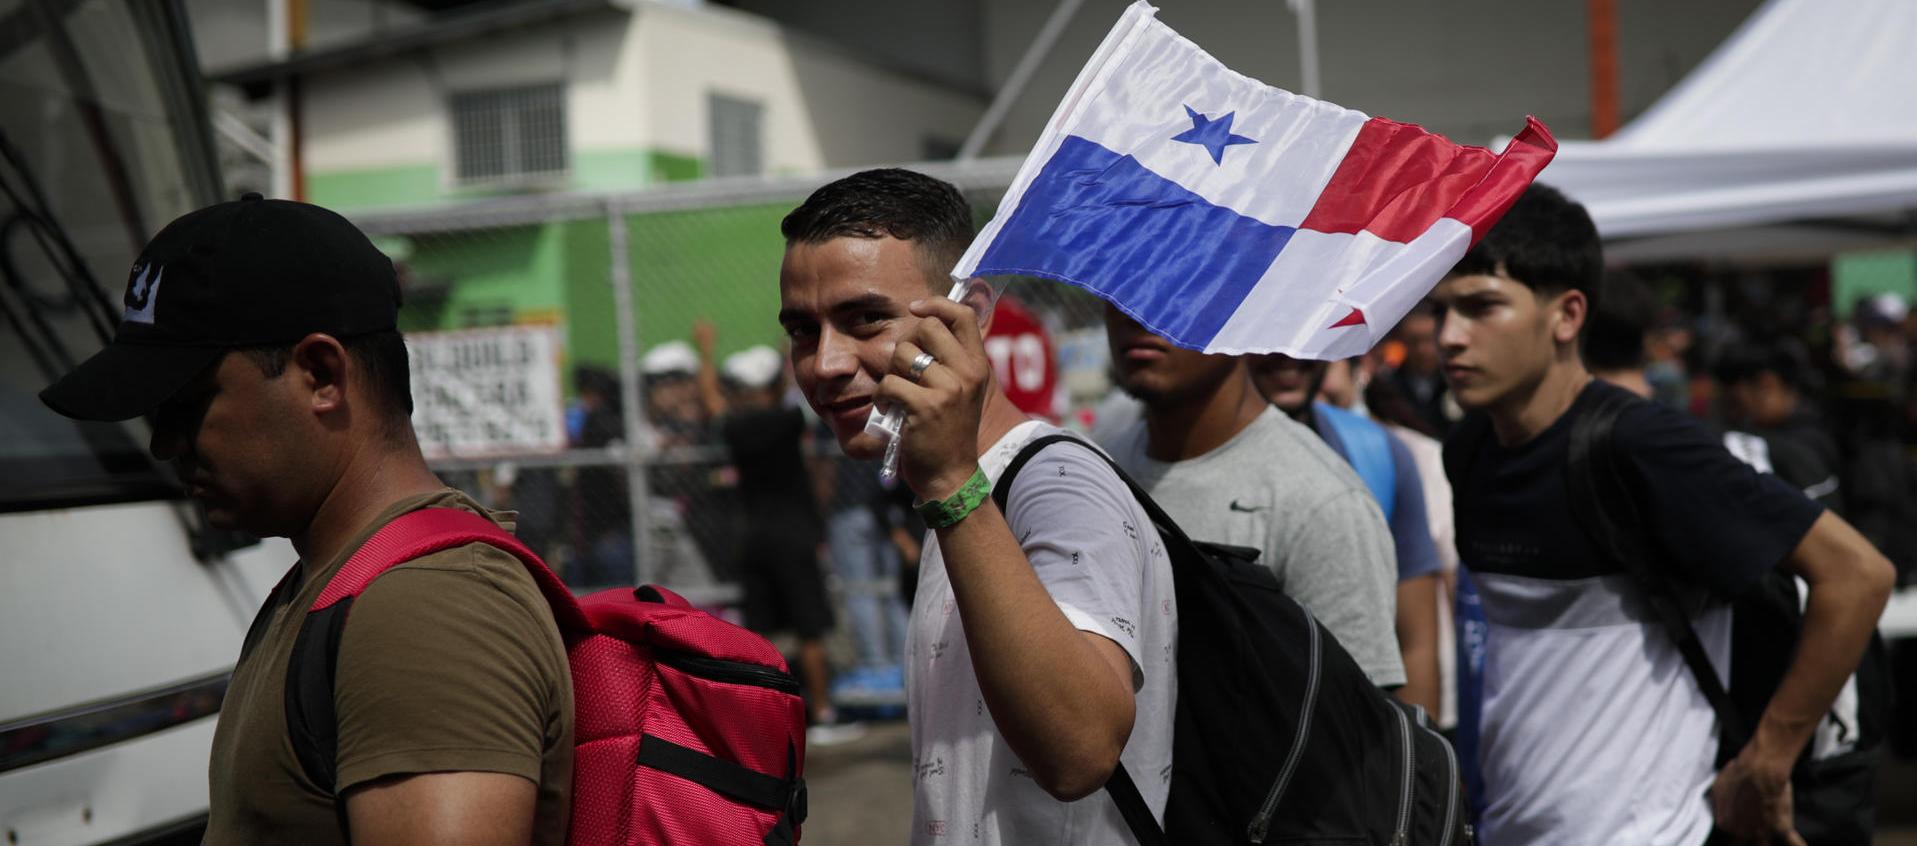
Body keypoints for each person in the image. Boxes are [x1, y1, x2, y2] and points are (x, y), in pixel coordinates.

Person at [39, 194, 572, 844]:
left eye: (185, 405)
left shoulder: (421, 609)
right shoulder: (341, 581)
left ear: (321, 374)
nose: (163, 444)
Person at [1433, 183, 1894, 845]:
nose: (1450, 337)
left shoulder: (1639, 445)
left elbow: (1856, 575)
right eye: (1439, 310)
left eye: (1480, 308)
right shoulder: (1470, 451)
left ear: (1566, 316)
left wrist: (1767, 759)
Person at [778, 168, 1175, 844]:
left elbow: (1079, 752)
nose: (824, 362)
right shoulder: (961, 490)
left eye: (864, 319)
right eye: (801, 330)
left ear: (974, 311)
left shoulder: (1055, 486)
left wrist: (950, 487)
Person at [1100, 308, 1404, 689]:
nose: (1137, 311)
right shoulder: (1096, 471)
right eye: (1121, 285)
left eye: (1177, 281)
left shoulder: (1321, 502)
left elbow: (1356, 731)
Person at [1246, 352, 1442, 711]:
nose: (1287, 353)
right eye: (1268, 332)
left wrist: (1420, 761)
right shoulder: (1152, 451)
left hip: (1360, 742)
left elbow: (1417, 642)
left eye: (1305, 331)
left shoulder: (1378, 450)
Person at [691, 326, 851, 740]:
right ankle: (825, 713)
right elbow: (791, 389)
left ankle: (760, 721)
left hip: (754, 539)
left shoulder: (738, 430)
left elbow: (712, 402)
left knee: (760, 631)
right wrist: (791, 351)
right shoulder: (787, 419)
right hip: (795, 538)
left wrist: (705, 350)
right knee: (809, 629)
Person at [1383, 302, 1458, 435]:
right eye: (1414, 341)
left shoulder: (1457, 381)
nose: (1422, 350)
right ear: (1403, 341)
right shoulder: (1386, 386)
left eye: (1428, 340)